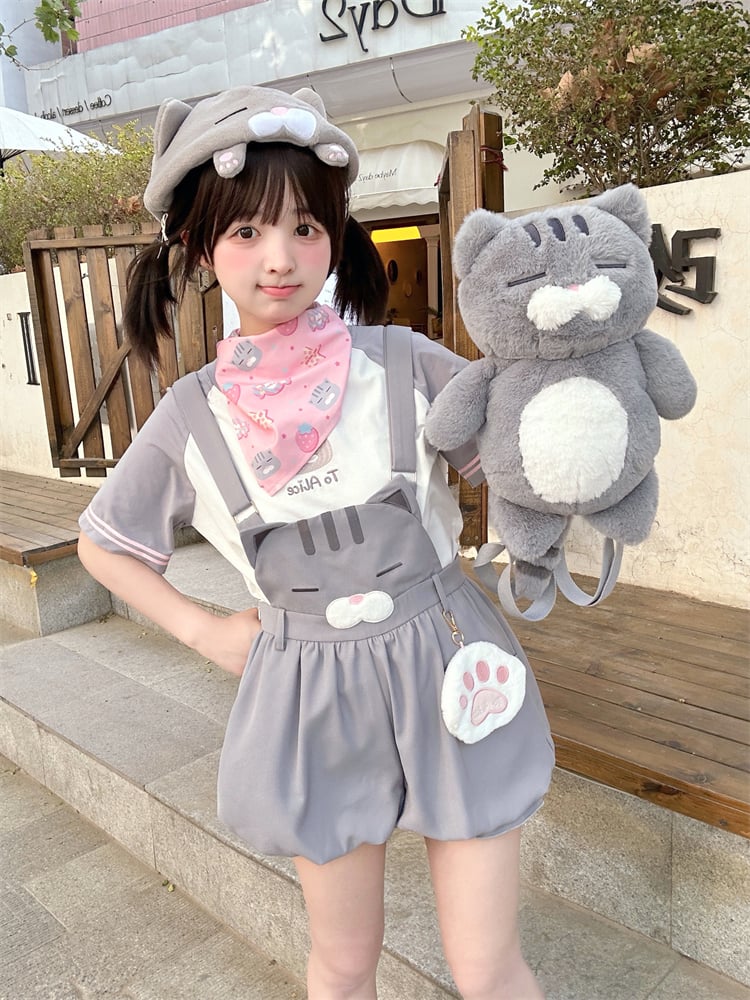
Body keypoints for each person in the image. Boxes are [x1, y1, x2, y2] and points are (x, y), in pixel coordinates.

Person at [77, 85, 555, 1000]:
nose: (281, 257)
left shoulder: (406, 363)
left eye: (305, 227)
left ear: (335, 233)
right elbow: (104, 545)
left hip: (450, 658)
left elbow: (524, 463)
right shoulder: (190, 416)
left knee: (488, 966)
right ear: (200, 247)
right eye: (246, 231)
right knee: (342, 964)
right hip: (308, 685)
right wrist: (206, 630)